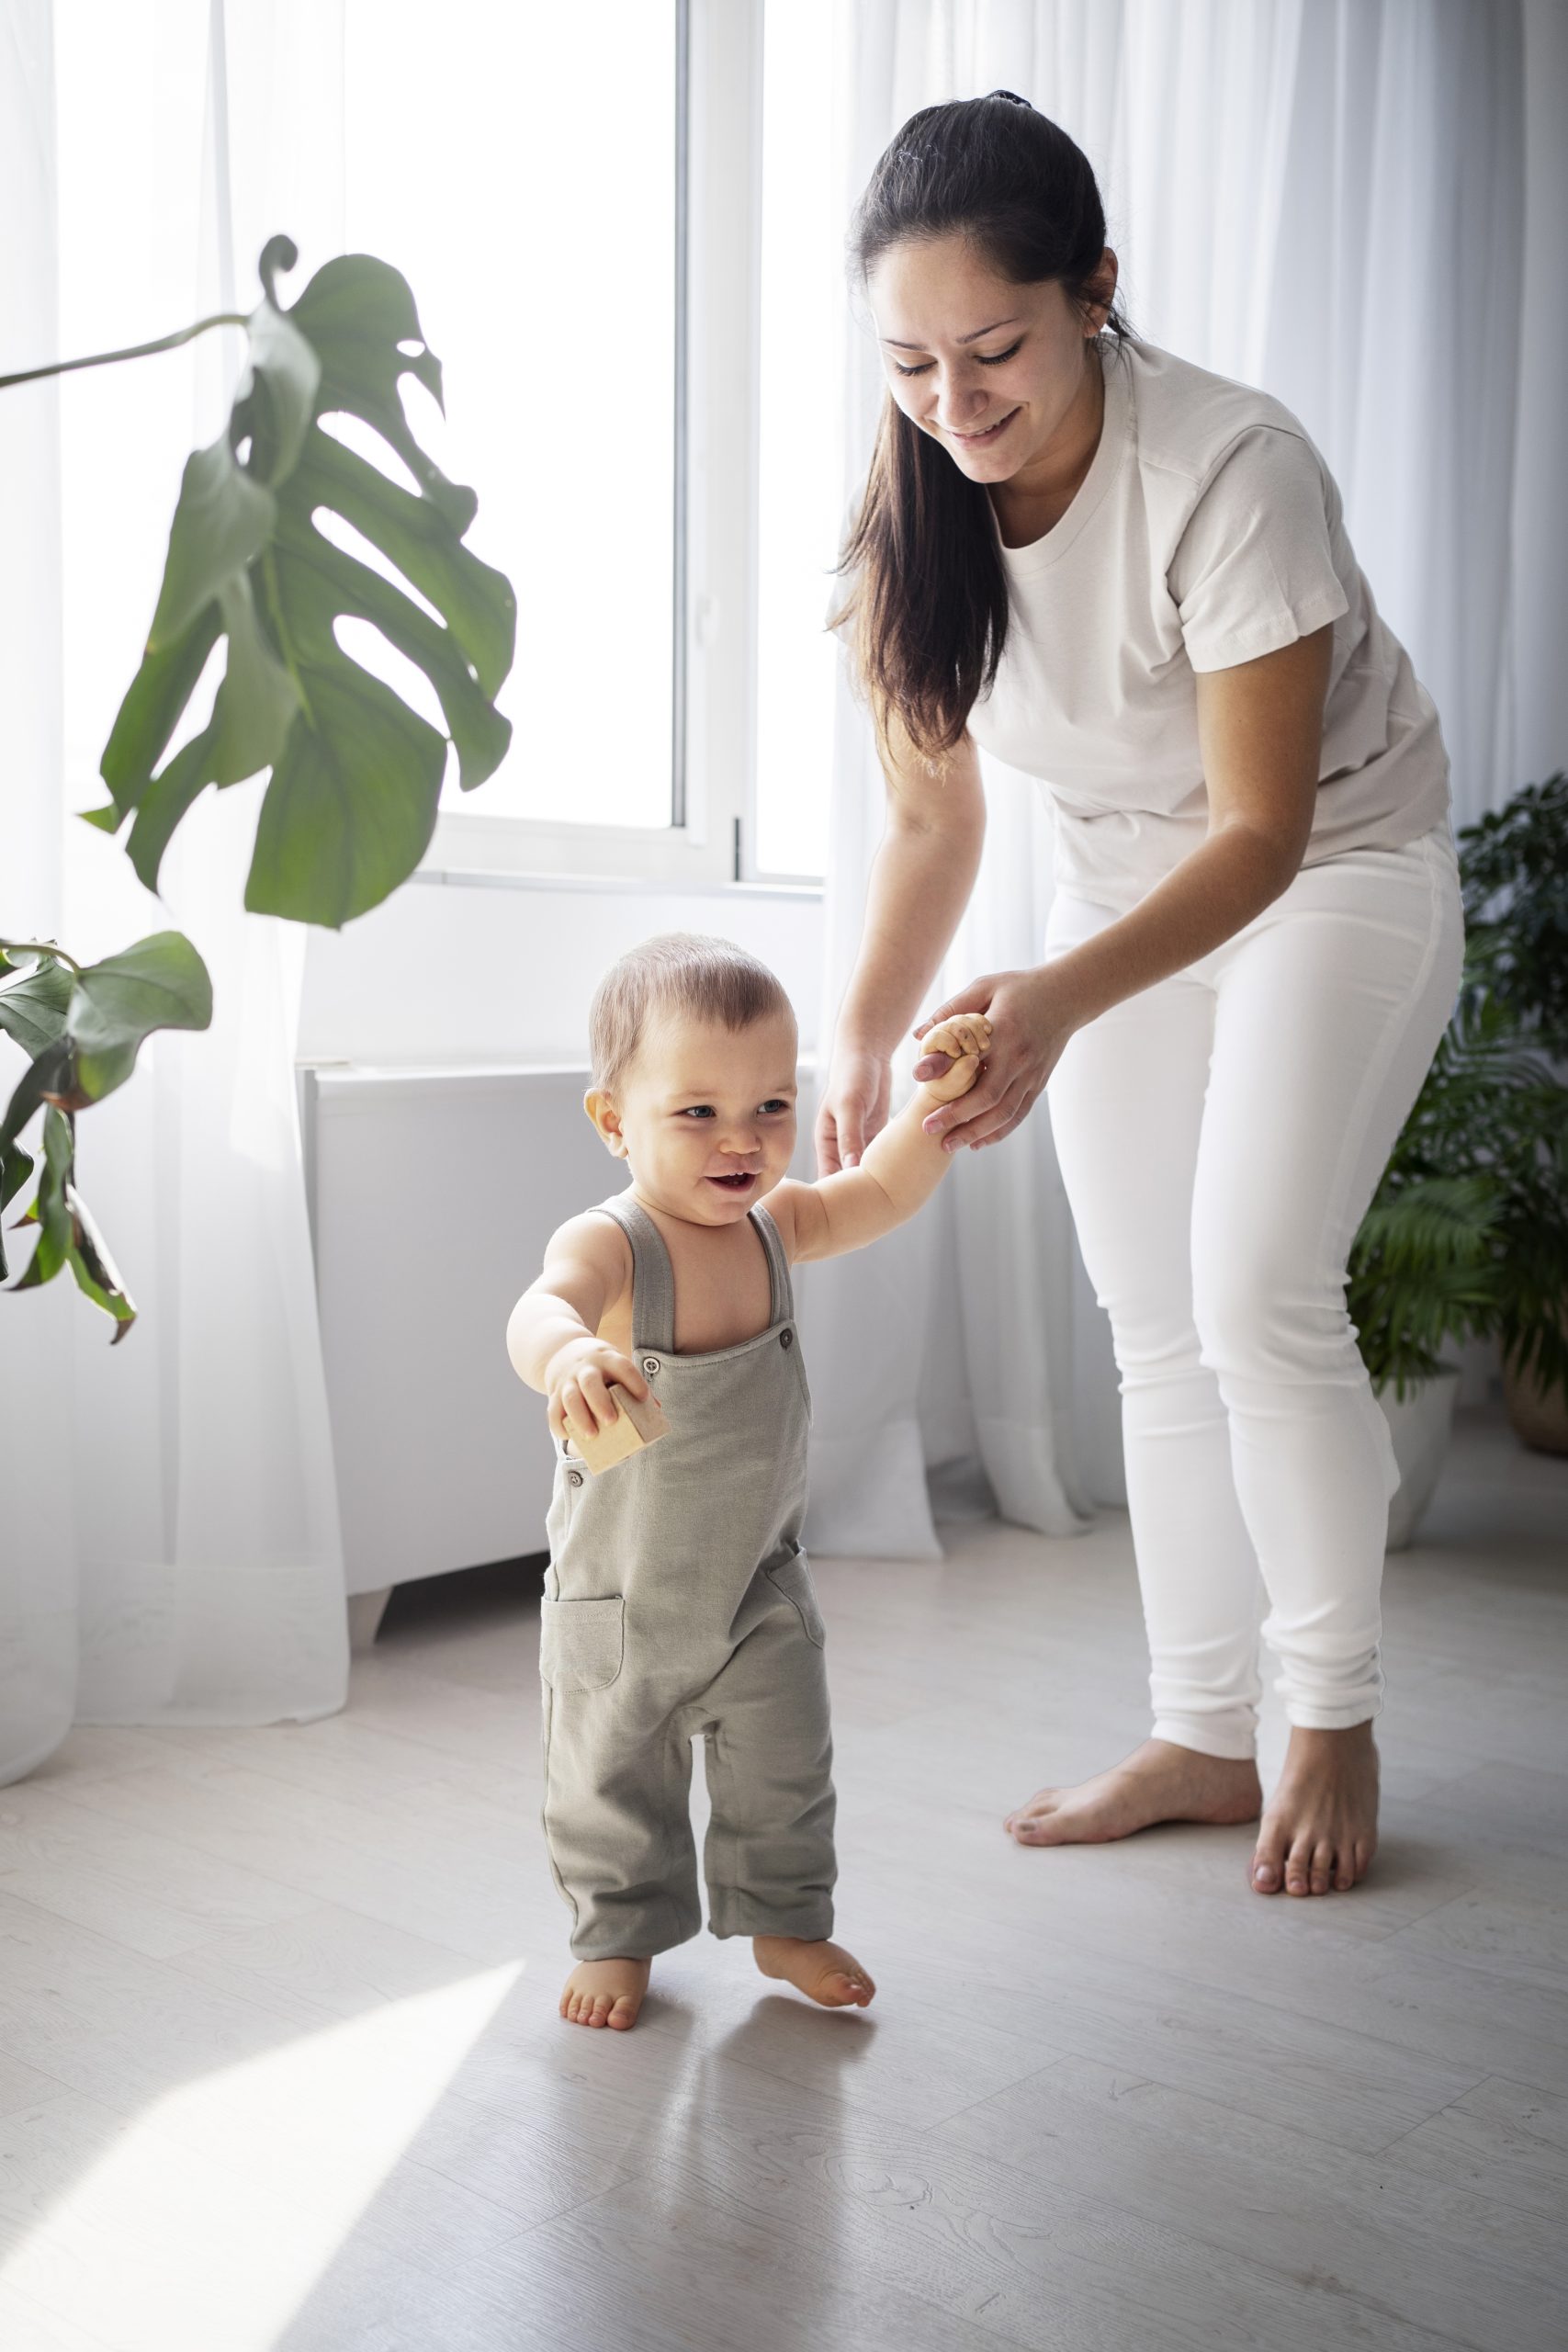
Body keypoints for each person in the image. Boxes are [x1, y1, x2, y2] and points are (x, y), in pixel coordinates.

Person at [818, 91, 1465, 1899]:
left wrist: (1050, 1000)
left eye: (994, 349)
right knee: (1149, 1323)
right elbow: (933, 819)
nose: (953, 402)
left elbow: (1259, 830)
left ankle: (1322, 1701)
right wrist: (866, 1023)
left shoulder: (1229, 467)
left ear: (1094, 289)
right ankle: (1198, 1730)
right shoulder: (908, 524)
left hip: (1333, 865)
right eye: (911, 363)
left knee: (1254, 1283)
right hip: (1112, 878)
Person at [505, 932, 990, 2028]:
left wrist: (940, 1101)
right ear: (614, 1119)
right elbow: (540, 1305)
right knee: (610, 1778)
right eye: (698, 1112)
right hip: (624, 1599)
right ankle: (620, 1933)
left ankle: (786, 1921)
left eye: (773, 1106)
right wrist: (571, 1353)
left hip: (756, 1589)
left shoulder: (777, 1225)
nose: (745, 1140)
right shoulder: (616, 1243)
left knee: (786, 1765)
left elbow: (882, 1189)